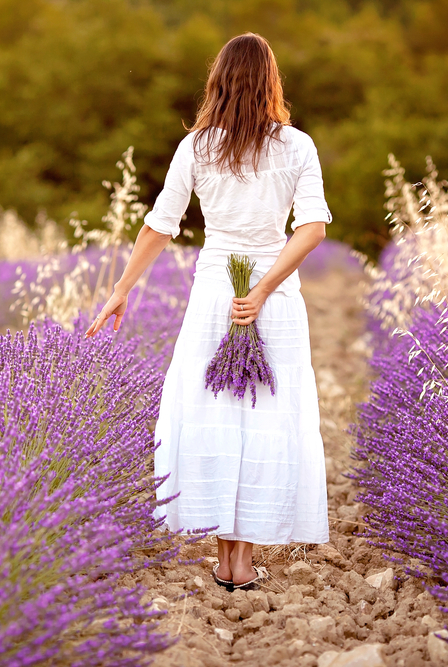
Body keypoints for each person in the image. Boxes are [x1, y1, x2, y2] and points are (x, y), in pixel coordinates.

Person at [85, 32, 331, 589]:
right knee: (265, 415)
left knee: (218, 414)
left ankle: (224, 559)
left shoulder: (196, 147)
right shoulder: (297, 146)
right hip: (275, 294)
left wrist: (121, 288)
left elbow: (160, 224)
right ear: (272, 81)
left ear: (217, 80)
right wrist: (266, 287)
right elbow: (312, 229)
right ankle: (242, 563)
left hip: (217, 292)